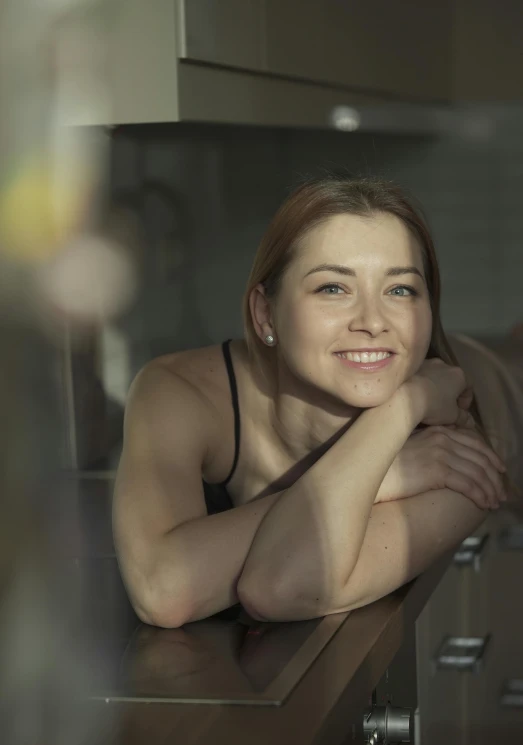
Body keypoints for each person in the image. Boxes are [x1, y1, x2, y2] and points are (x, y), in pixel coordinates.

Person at [112, 175, 506, 629]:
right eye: (332, 288)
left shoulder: (456, 452)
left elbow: (278, 587)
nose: (373, 322)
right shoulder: (180, 391)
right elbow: (163, 591)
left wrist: (405, 408)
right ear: (265, 314)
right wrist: (386, 467)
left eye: (400, 290)